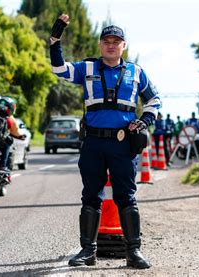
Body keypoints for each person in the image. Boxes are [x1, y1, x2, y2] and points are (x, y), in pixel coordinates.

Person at [50, 14, 161, 269]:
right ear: (100, 45)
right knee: (91, 196)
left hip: (123, 145)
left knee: (126, 197)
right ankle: (88, 251)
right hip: (93, 144)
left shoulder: (136, 72)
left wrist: (145, 120)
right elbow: (59, 70)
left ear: (124, 45)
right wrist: (55, 41)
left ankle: (133, 252)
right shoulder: (86, 68)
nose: (111, 45)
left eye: (116, 41)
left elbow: (154, 99)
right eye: (107, 41)